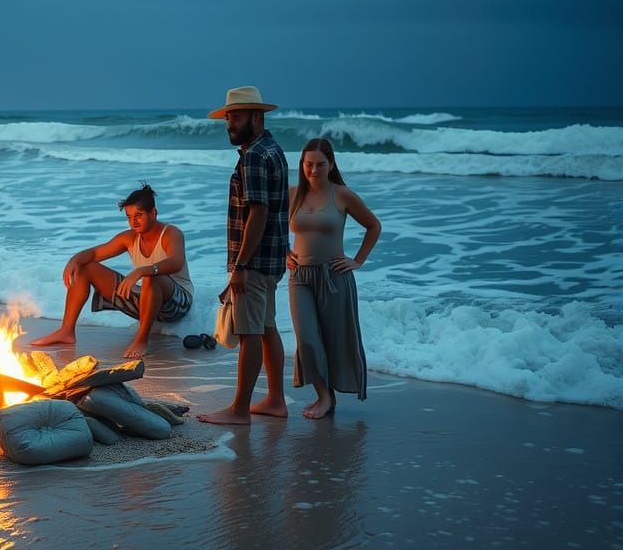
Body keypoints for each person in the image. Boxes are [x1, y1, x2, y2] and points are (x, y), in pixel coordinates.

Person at [197, 86, 289, 425]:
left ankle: (239, 410)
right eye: (227, 117)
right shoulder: (273, 149)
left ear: (256, 115)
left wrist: (240, 266)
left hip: (254, 262)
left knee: (251, 333)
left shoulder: (254, 156)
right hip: (271, 260)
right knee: (266, 328)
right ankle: (276, 400)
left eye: (234, 117)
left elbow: (259, 213)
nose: (229, 123)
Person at [31, 184, 194, 359]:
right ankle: (66, 331)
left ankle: (141, 339)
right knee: (85, 267)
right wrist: (74, 260)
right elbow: (94, 253)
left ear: (153, 213)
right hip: (147, 297)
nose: (133, 222)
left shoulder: (171, 234)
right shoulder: (129, 237)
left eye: (138, 216)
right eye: (129, 217)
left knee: (150, 277)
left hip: (177, 302)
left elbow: (176, 262)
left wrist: (142, 271)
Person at [287, 138, 380, 419]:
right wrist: (283, 251)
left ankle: (330, 398)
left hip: (334, 276)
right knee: (307, 340)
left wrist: (358, 260)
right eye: (308, 164)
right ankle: (324, 396)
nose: (314, 169)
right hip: (299, 276)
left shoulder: (342, 195)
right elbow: (271, 226)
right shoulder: (292, 195)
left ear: (331, 164)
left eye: (320, 164)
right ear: (302, 165)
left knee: (335, 339)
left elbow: (373, 226)